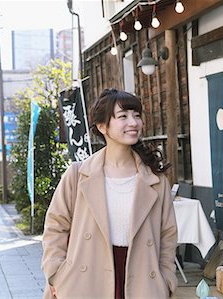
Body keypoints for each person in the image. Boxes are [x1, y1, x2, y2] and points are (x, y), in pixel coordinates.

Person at [41, 88, 178, 299]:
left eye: (137, 115)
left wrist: (166, 280)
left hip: (142, 280)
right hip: (85, 281)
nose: (133, 123)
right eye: (123, 116)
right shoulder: (78, 174)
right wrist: (56, 273)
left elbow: (167, 235)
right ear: (102, 126)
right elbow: (55, 227)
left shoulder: (155, 179)